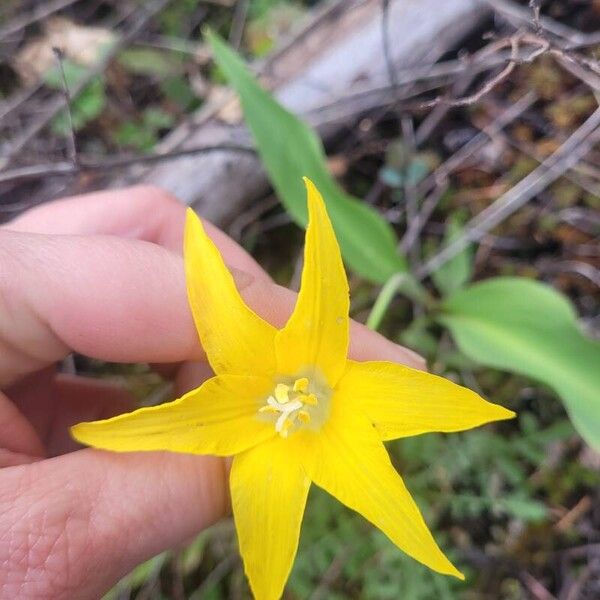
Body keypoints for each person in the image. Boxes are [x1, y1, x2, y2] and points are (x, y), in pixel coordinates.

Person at [0, 185, 425, 599]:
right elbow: (175, 419)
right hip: (281, 418)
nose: (295, 400)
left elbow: (320, 292)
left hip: (305, 407)